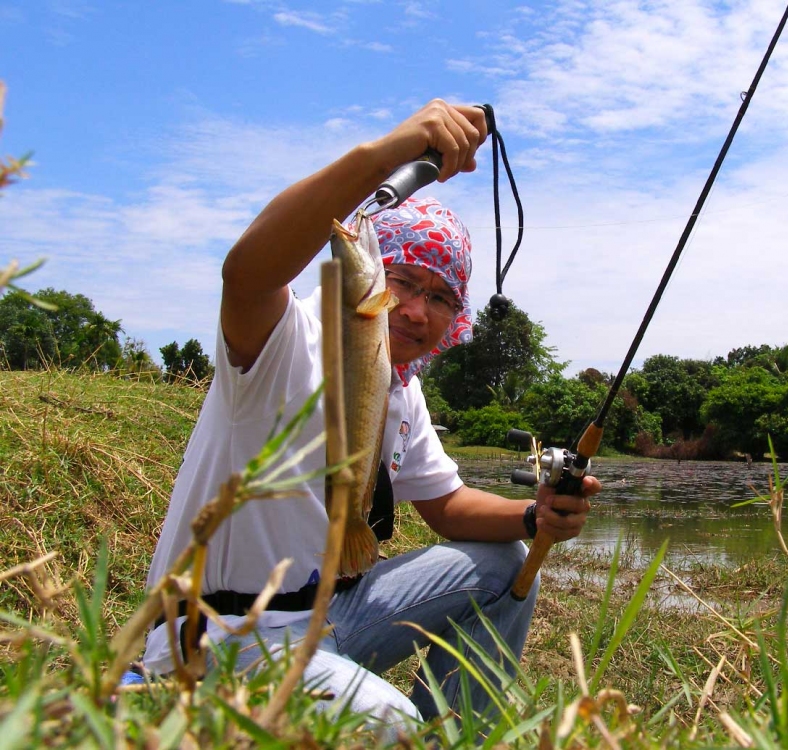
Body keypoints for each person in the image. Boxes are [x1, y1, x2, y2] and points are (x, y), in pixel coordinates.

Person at [140, 100, 599, 726]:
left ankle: (453, 736)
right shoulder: (286, 340)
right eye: (405, 282)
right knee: (394, 731)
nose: (417, 310)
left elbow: (448, 508)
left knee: (503, 565)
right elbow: (246, 273)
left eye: (441, 296)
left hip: (323, 618)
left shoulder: (400, 386)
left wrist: (533, 513)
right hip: (220, 637)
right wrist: (385, 153)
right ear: (368, 280)